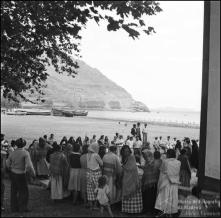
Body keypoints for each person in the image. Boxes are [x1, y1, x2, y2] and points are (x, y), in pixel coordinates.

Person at [6, 138, 36, 212]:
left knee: (13, 191)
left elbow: (7, 163)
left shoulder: (12, 152)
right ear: (24, 144)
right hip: (21, 174)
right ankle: (22, 208)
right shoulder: (25, 153)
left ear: (16, 144)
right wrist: (33, 174)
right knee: (23, 191)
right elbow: (29, 166)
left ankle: (14, 208)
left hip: (13, 174)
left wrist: (10, 169)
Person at [155, 149, 181, 217]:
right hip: (175, 183)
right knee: (173, 197)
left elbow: (162, 172)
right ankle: (171, 212)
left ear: (168, 154)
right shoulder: (178, 162)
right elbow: (177, 173)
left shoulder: (165, 162)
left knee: (164, 197)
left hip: (166, 182)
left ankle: (163, 213)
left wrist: (159, 183)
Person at [121, 145, 143, 214]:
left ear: (129, 151)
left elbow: (132, 168)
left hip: (133, 178)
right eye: (125, 151)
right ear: (123, 152)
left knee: (133, 194)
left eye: (127, 151)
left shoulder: (131, 157)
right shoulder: (124, 158)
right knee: (126, 192)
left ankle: (135, 210)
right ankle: (127, 210)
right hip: (126, 178)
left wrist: (124, 167)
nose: (126, 152)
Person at [86, 143, 103, 209]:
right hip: (96, 174)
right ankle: (95, 206)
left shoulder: (87, 155)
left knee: (90, 190)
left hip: (88, 173)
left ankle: (91, 206)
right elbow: (101, 163)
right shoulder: (96, 155)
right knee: (97, 189)